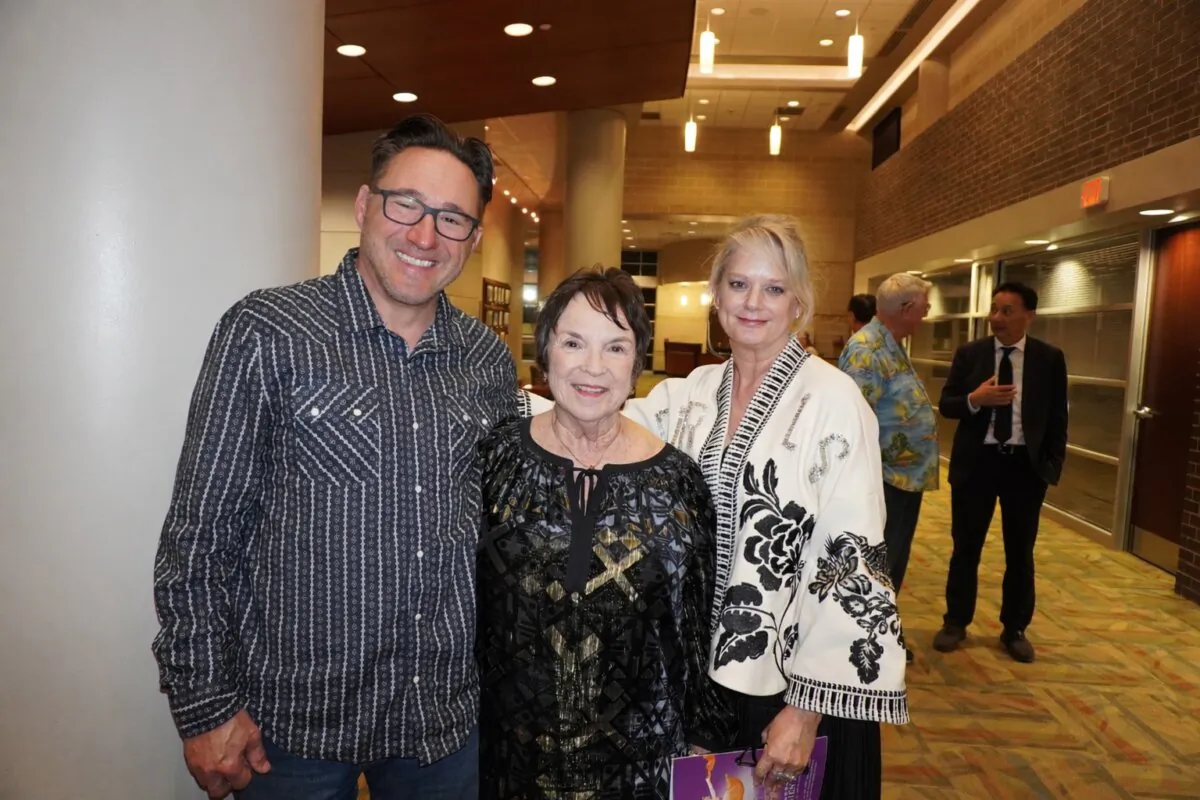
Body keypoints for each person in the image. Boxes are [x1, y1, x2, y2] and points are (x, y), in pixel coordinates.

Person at [152, 114, 515, 800]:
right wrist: (204, 706)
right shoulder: (267, 332)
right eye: (406, 204)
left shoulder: (488, 364)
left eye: (452, 218)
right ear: (363, 205)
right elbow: (200, 534)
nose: (424, 235)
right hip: (289, 735)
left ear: (474, 237)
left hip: (441, 730)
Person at [625, 215, 908, 799]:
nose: (753, 302)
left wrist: (804, 714)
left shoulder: (834, 400)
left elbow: (853, 559)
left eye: (774, 288)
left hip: (794, 688)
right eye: (738, 284)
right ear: (716, 295)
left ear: (799, 303)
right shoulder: (688, 394)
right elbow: (601, 434)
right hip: (704, 680)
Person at [476, 268, 730, 799]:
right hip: (510, 750)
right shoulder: (497, 457)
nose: (593, 367)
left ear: (637, 362)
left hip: (642, 759)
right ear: (545, 351)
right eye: (574, 343)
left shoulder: (678, 480)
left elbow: (698, 621)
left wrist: (706, 735)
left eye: (615, 347)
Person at [933, 281, 1068, 664]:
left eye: (1007, 311)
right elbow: (947, 404)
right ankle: (956, 622)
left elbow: (1058, 417)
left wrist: (1050, 465)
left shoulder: (1049, 358)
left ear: (1029, 315)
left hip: (1025, 467)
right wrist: (975, 400)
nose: (997, 318)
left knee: (1020, 552)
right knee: (966, 548)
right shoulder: (970, 354)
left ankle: (1015, 629)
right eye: (994, 309)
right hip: (978, 464)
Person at [839, 273, 939, 663]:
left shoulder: (889, 344)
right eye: (925, 305)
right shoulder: (866, 350)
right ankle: (870, 639)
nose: (928, 312)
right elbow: (851, 422)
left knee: (891, 563)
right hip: (883, 481)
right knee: (879, 565)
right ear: (908, 308)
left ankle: (880, 632)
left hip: (902, 479)